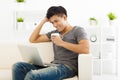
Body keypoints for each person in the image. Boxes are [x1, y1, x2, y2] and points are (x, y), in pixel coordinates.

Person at [12, 6, 89, 80]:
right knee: (18, 66)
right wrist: (43, 21)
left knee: (32, 76)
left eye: (56, 21)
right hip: (53, 65)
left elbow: (86, 49)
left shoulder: (77, 30)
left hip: (68, 67)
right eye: (52, 23)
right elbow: (33, 39)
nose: (54, 25)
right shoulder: (54, 33)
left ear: (64, 17)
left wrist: (62, 43)